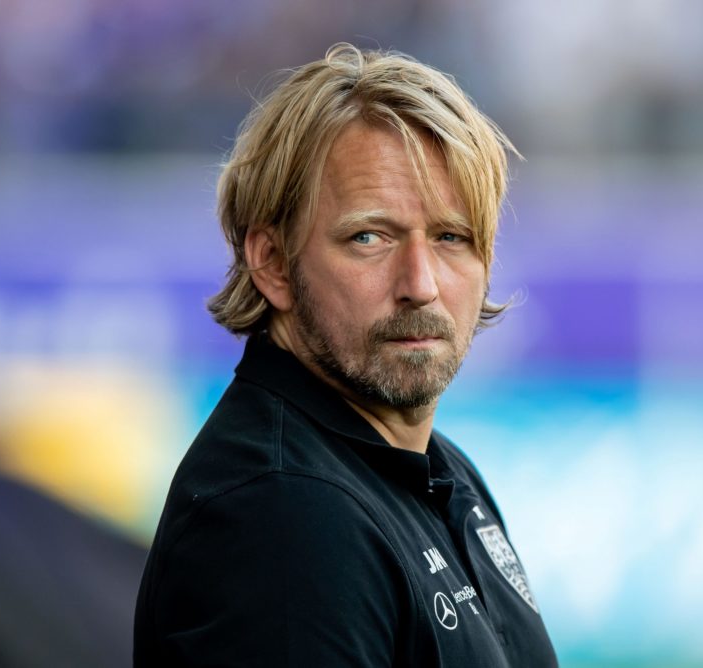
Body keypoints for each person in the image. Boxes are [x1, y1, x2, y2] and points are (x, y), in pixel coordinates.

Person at [134, 43, 558, 667]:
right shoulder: (283, 518)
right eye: (369, 237)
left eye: (451, 237)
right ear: (273, 263)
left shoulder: (438, 470)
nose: (421, 282)